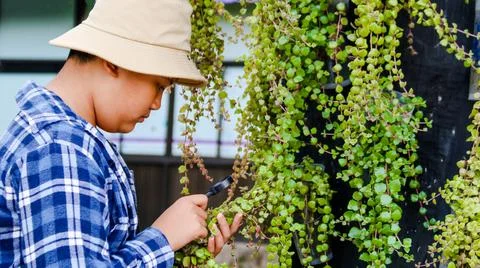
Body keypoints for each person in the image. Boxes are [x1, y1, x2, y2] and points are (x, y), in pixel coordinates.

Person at [0, 0, 243, 266]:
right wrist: (161, 238)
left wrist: (180, 253)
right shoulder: (62, 147)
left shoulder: (58, 138)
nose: (157, 103)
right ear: (113, 62)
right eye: (159, 85)